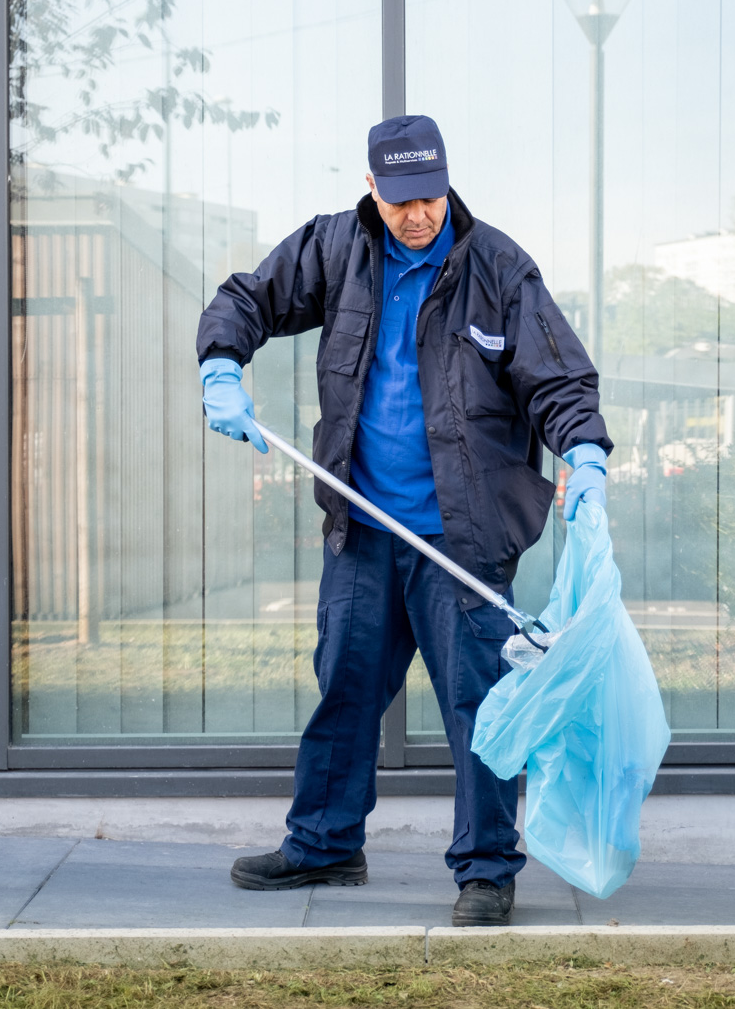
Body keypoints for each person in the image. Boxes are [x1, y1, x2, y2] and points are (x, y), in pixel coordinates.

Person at [195, 115, 611, 927]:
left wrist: (585, 453)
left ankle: (487, 868)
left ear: (446, 182)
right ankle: (323, 842)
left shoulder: (498, 268)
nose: (417, 214)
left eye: (429, 196)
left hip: (465, 538)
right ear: (371, 188)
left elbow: (558, 379)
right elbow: (248, 298)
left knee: (479, 706)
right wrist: (221, 361)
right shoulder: (335, 250)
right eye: (400, 200)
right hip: (364, 530)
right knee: (344, 687)